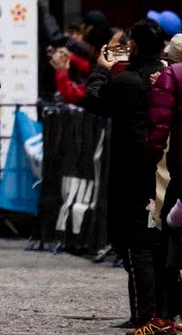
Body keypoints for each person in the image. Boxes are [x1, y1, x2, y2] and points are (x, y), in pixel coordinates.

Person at [84, 17, 166, 335]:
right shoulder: (166, 76)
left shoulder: (127, 81)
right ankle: (160, 311)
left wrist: (102, 68)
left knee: (136, 244)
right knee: (159, 243)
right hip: (164, 169)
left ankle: (146, 315)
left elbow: (94, 100)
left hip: (131, 171)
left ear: (132, 46)